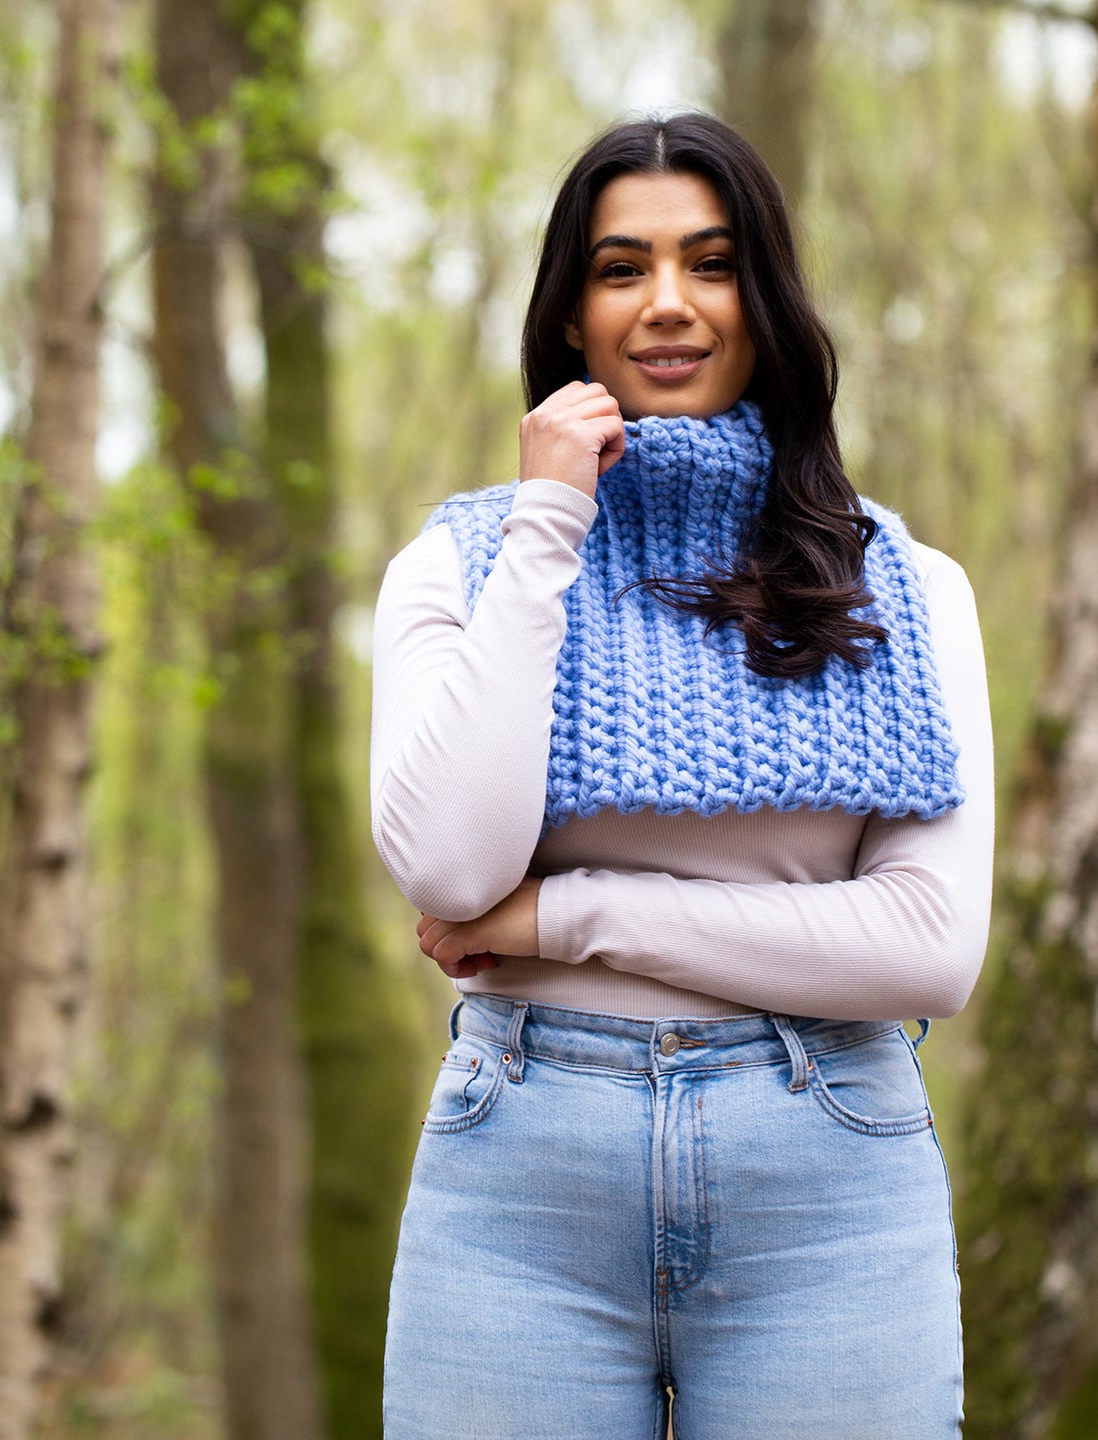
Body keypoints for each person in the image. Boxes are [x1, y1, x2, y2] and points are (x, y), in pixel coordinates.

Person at [370, 111, 993, 1440]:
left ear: (764, 300)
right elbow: (449, 868)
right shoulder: (462, 562)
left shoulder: (907, 586)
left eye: (710, 264)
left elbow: (926, 951)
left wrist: (568, 918)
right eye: (620, 267)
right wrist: (547, 524)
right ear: (571, 313)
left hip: (827, 1167)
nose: (668, 305)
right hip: (520, 1168)